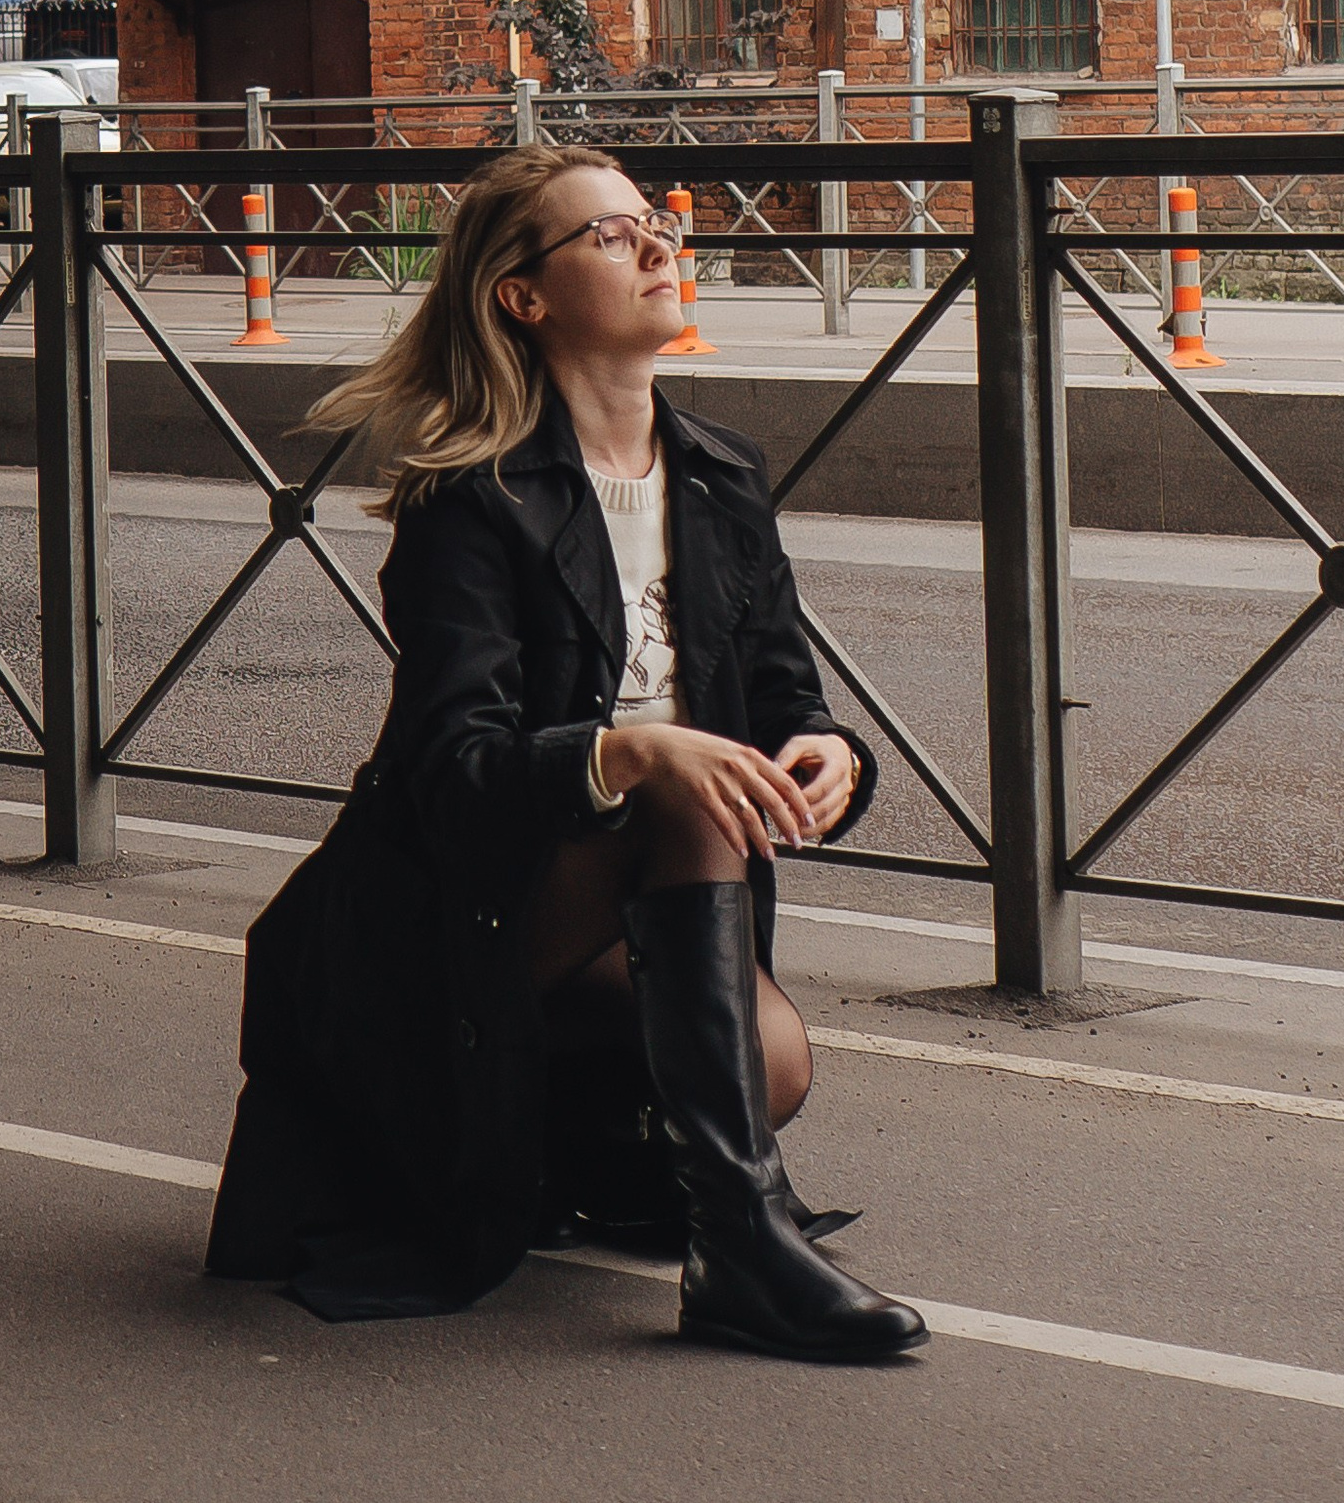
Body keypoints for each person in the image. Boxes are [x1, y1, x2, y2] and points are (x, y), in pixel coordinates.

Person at [206, 141, 925, 1363]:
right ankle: (739, 1249)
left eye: (655, 223)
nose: (659, 246)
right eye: (610, 234)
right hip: (437, 914)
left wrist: (832, 755)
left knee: (777, 1064)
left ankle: (587, 1152)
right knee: (682, 779)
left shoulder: (720, 476)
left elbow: (788, 699)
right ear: (521, 297)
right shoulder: (471, 498)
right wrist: (635, 759)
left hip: (603, 897)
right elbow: (450, 772)